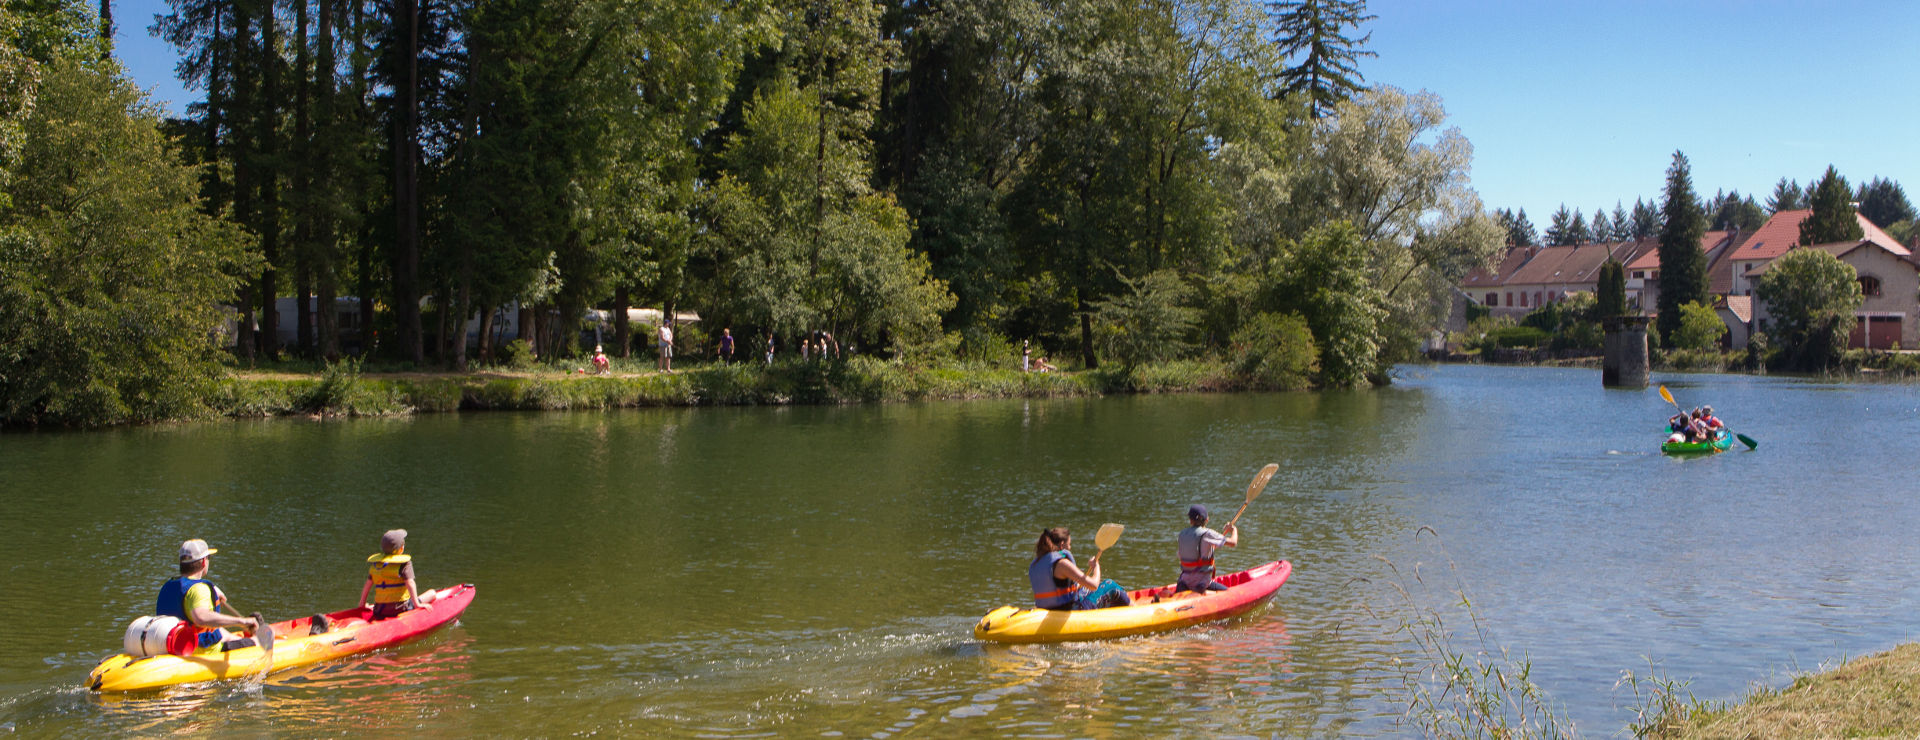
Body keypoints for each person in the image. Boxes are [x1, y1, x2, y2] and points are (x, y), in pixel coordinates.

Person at [156, 539, 262, 654]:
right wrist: (242, 621)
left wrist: (213, 590)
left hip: (172, 647)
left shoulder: (169, 585)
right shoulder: (199, 589)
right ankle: (255, 637)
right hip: (203, 651)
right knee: (257, 642)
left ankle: (241, 636)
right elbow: (201, 617)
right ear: (203, 562)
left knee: (226, 635)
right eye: (208, 558)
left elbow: (187, 596)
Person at [1028, 527, 1132, 611]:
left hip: (1048, 610)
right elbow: (1094, 585)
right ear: (1062, 545)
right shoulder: (1062, 564)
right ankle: (1135, 609)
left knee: (1083, 589)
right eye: (1069, 544)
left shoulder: (1037, 562)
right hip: (1071, 610)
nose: (1070, 548)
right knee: (1110, 584)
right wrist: (1096, 567)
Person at [360, 529, 441, 620]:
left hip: (379, 610)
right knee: (432, 593)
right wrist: (417, 604)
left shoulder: (376, 565)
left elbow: (367, 586)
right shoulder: (404, 563)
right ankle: (420, 602)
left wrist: (362, 605)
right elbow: (410, 583)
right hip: (401, 609)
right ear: (401, 549)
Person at [1176, 505, 1239, 593]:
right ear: (1207, 520)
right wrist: (1234, 530)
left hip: (1183, 583)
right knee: (1229, 593)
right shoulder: (1207, 534)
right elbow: (1233, 542)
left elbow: (1187, 554)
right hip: (1201, 584)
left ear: (1190, 520)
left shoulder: (1182, 534)